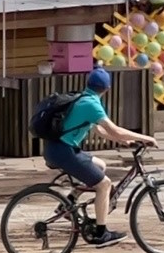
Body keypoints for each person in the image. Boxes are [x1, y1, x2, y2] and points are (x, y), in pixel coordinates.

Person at [41, 67, 154, 243]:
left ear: (88, 84)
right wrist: (145, 138)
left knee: (100, 166)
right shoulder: (91, 104)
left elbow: (100, 129)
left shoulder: (83, 98)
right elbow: (115, 129)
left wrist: (123, 141)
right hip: (63, 151)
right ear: (107, 88)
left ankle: (66, 205)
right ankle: (101, 233)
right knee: (104, 184)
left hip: (58, 148)